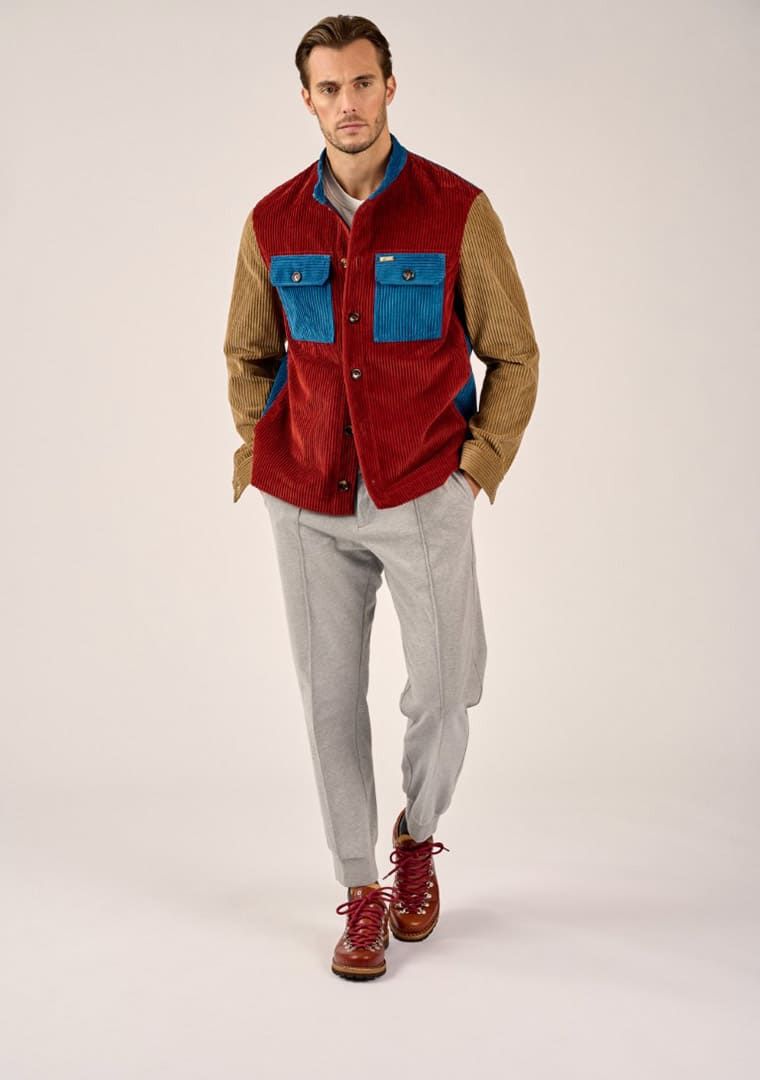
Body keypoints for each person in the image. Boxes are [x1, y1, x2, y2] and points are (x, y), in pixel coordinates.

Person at [222, 14, 540, 980]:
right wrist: (265, 446)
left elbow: (515, 355)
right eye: (329, 88)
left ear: (390, 87)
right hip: (306, 502)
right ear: (307, 100)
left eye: (362, 83)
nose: (347, 103)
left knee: (446, 689)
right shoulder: (272, 223)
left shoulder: (458, 211)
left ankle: (418, 836)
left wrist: (474, 469)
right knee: (329, 702)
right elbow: (248, 354)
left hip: (422, 493)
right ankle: (361, 890)